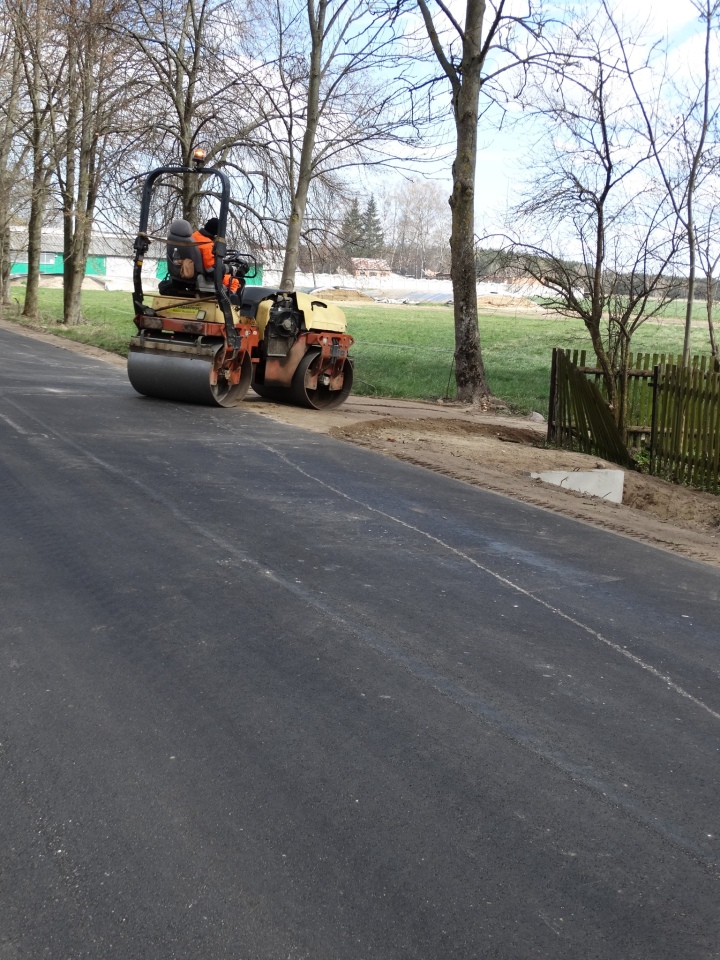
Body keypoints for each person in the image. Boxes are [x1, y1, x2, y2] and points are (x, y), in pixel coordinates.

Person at [191, 217, 241, 298]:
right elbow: (211, 270)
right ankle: (230, 303)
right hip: (205, 276)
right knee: (235, 281)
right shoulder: (207, 244)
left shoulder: (194, 236)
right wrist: (229, 268)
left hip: (194, 271)